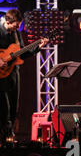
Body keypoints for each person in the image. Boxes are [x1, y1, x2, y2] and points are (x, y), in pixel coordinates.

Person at [0, 9, 48, 144]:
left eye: (18, 26)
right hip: (1, 75)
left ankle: (9, 137)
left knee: (14, 106)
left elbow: (21, 53)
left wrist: (38, 47)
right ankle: (3, 139)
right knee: (4, 108)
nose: (16, 28)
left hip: (14, 73)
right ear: (7, 22)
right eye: (15, 26)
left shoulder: (16, 33)